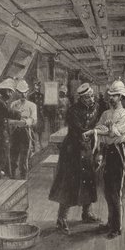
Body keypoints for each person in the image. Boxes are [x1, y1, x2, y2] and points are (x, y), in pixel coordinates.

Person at [83, 80, 125, 239]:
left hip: (119, 152)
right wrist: (106, 129)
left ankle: (116, 227)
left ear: (121, 97)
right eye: (110, 95)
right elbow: (99, 129)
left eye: (115, 95)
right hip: (107, 151)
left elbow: (114, 133)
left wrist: (109, 129)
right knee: (106, 190)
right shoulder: (105, 114)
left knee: (115, 192)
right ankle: (110, 222)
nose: (111, 98)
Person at [49, 83, 101, 235]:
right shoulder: (73, 110)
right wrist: (95, 132)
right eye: (87, 97)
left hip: (88, 148)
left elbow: (96, 125)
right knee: (69, 183)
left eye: (91, 96)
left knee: (88, 180)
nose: (90, 99)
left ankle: (87, 213)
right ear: (81, 98)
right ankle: (61, 219)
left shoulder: (96, 107)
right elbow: (79, 130)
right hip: (72, 150)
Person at [0, 78, 21, 179]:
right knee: (1, 153)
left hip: (0, 131)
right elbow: (7, 112)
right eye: (9, 91)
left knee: (3, 153)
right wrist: (19, 114)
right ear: (4, 90)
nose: (10, 94)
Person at [9, 79, 37, 179]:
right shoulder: (13, 105)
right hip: (15, 133)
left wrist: (25, 122)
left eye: (24, 92)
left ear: (28, 92)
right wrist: (15, 122)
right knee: (13, 156)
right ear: (17, 92)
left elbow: (33, 120)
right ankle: (12, 177)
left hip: (26, 133)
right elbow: (9, 119)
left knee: (24, 157)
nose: (22, 95)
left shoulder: (32, 106)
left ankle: (23, 178)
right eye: (20, 92)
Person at [28, 81, 45, 151]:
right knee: (34, 131)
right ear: (34, 86)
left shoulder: (42, 95)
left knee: (40, 131)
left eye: (38, 85)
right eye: (36, 85)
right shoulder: (31, 96)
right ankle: (34, 146)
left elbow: (43, 106)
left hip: (40, 115)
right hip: (34, 115)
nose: (37, 87)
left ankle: (40, 144)